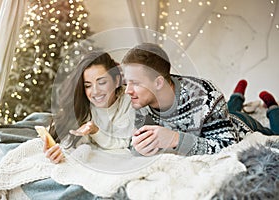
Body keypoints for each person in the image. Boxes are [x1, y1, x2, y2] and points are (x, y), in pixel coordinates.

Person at [121, 43, 253, 157]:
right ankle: (237, 97)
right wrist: (139, 149)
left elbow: (229, 145)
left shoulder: (206, 95)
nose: (128, 91)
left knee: (268, 127)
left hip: (242, 123)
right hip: (217, 117)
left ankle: (268, 106)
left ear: (158, 83)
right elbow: (133, 144)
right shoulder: (139, 103)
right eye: (127, 83)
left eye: (136, 83)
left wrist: (175, 138)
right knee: (230, 108)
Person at [44, 51, 135, 163]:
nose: (95, 91)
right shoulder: (83, 103)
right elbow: (69, 140)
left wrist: (94, 130)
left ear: (116, 81)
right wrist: (56, 152)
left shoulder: (129, 102)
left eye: (102, 82)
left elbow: (122, 143)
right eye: (88, 85)